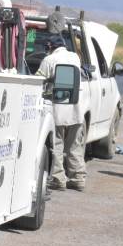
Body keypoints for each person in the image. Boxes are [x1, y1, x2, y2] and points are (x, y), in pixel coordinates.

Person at [36, 39, 86, 191]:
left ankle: (58, 179)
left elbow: (38, 79)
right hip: (76, 110)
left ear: (50, 46)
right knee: (74, 146)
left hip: (57, 109)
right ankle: (78, 179)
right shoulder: (75, 57)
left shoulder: (49, 59)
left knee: (56, 145)